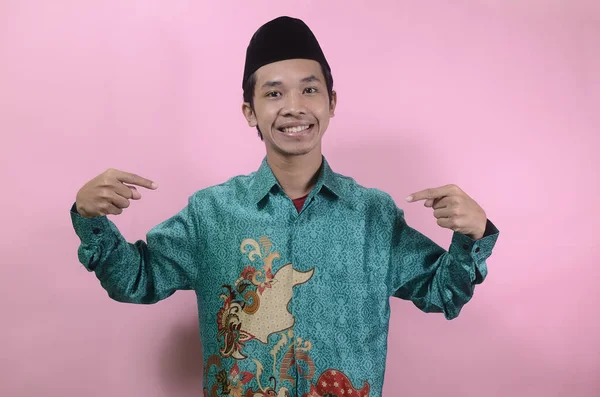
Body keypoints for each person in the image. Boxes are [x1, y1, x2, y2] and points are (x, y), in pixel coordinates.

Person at [71, 16, 499, 397]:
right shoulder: (211, 214)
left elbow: (444, 292)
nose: (294, 106)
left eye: (309, 89)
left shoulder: (373, 215)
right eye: (274, 93)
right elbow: (136, 280)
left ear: (331, 102)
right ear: (250, 111)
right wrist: (91, 220)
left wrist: (472, 234)